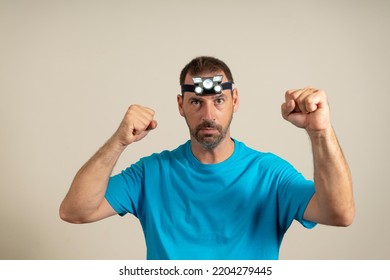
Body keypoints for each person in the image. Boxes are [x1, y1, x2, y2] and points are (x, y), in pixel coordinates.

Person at [59, 56, 355, 260]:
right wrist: (118, 140)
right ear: (181, 105)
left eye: (219, 100)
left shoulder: (270, 174)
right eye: (196, 102)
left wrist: (320, 132)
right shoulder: (151, 173)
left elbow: (339, 213)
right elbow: (75, 211)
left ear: (234, 101)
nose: (208, 115)